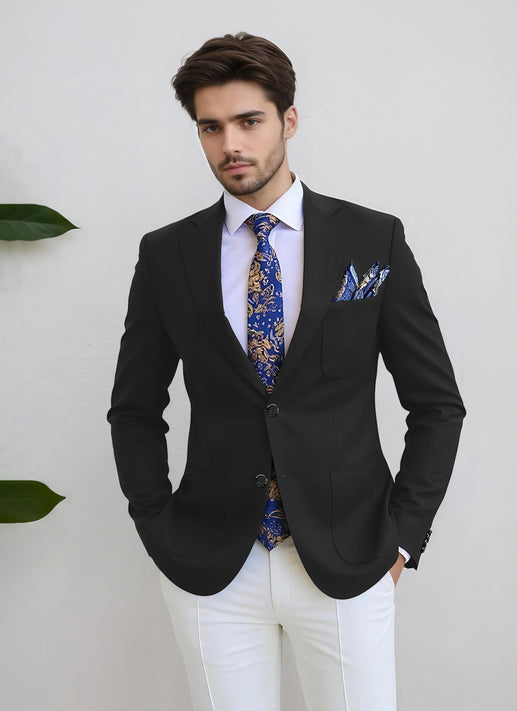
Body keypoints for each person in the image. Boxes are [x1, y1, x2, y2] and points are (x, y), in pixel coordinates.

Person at [107, 32, 465, 711]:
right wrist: (156, 525)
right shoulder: (166, 254)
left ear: (288, 120)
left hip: (349, 554)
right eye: (210, 127)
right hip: (212, 564)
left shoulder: (372, 238)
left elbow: (436, 404)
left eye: (249, 121)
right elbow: (134, 408)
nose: (230, 145)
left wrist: (402, 538)